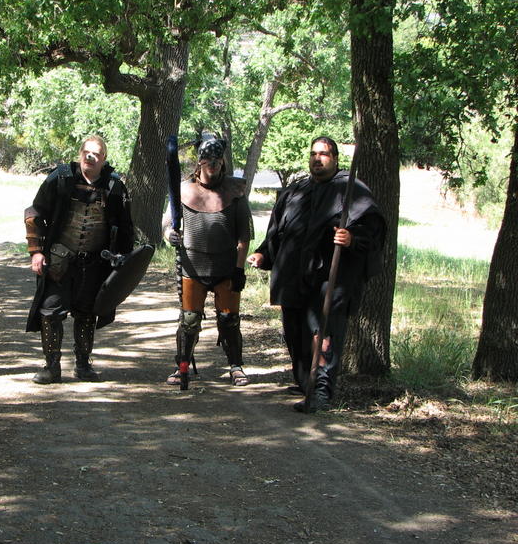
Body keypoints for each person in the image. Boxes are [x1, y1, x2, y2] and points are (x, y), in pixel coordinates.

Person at [248, 136, 385, 411]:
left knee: (322, 334)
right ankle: (305, 382)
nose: (317, 159)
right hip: (293, 276)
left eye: (323, 154)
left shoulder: (352, 191)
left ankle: (321, 391)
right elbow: (279, 231)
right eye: (313, 154)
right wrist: (264, 254)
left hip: (331, 278)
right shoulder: (296, 191)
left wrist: (351, 239)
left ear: (335, 159)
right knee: (294, 331)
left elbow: (372, 232)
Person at [24, 135, 134, 384]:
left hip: (95, 263)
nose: (90, 157)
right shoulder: (60, 178)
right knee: (51, 312)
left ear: (104, 159)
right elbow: (34, 213)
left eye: (96, 154)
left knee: (86, 314)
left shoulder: (114, 186)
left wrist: (124, 260)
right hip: (59, 260)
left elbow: (125, 226)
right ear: (80, 154)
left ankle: (83, 365)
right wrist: (36, 252)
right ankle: (52, 367)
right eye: (87, 152)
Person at [163, 133, 252, 387]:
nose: (212, 164)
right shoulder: (183, 190)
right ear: (199, 162)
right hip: (192, 266)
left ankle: (236, 365)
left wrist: (239, 269)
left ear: (222, 161)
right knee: (189, 321)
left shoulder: (235, 191)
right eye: (208, 159)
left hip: (226, 267)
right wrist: (170, 234)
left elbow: (244, 236)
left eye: (217, 160)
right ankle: (182, 365)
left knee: (229, 319)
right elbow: (167, 224)